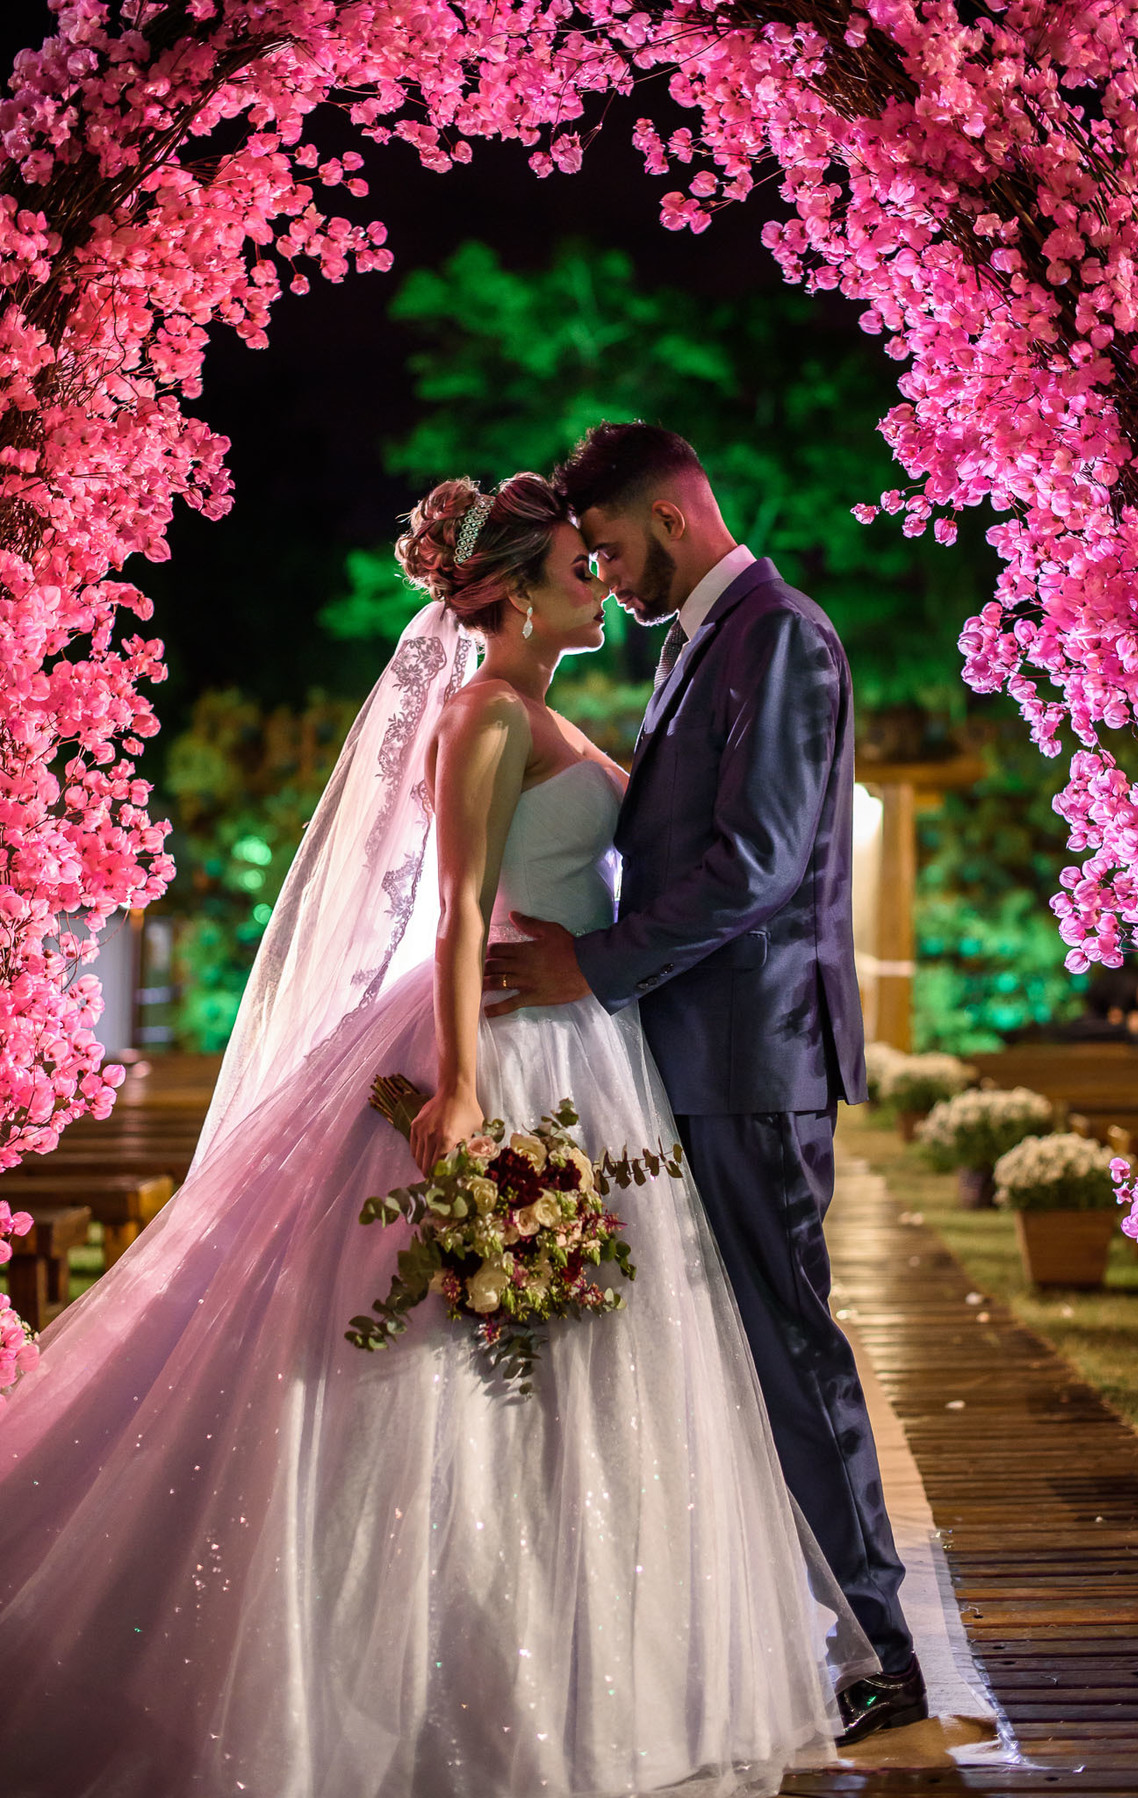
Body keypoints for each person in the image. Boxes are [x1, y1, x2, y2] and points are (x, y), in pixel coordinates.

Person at [0, 473, 877, 1798]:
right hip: (513, 1042)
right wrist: (459, 1086)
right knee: (466, 1356)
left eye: (604, 554)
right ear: (518, 589)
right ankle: (458, 1673)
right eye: (584, 563)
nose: (605, 579)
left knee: (582, 1357)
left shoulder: (543, 708)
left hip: (588, 1044)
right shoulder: (480, 714)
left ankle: (591, 1661)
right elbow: (459, 910)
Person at [485, 424, 925, 1741]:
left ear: (667, 519)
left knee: (791, 1347)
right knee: (731, 1354)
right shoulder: (697, 647)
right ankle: (788, 1632)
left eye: (611, 548)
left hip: (750, 1059)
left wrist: (594, 967)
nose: (606, 578)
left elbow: (757, 865)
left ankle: (885, 1648)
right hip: (692, 1057)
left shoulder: (776, 634)